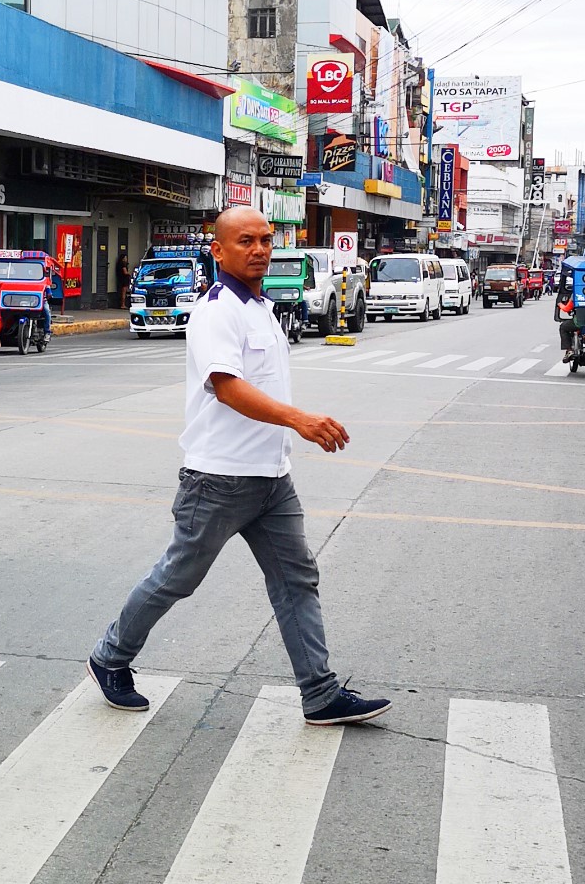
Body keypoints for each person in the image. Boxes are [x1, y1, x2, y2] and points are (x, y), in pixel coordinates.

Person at [87, 205, 389, 726]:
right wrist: (299, 419)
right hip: (218, 480)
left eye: (266, 240)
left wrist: (289, 432)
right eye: (245, 241)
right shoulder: (216, 311)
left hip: (271, 479)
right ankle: (111, 656)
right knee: (177, 578)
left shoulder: (262, 308)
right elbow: (227, 387)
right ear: (219, 251)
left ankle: (319, 694)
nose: (259, 249)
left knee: (297, 579)